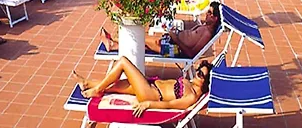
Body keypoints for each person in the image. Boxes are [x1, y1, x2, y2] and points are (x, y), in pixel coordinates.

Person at [73, 56, 212, 116]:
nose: (197, 73)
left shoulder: (191, 96)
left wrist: (148, 104)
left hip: (151, 94)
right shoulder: (190, 83)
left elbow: (170, 105)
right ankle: (87, 83)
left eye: (201, 74)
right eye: (199, 70)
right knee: (115, 86)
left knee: (123, 62)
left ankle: (97, 90)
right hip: (150, 85)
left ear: (205, 83)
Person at [101, 2, 221, 58]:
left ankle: (115, 39)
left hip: (176, 50)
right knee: (145, 43)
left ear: (215, 18)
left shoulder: (207, 33)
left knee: (141, 38)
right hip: (173, 42)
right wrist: (175, 33)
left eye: (209, 13)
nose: (206, 14)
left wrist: (176, 38)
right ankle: (113, 45)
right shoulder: (205, 26)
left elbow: (191, 54)